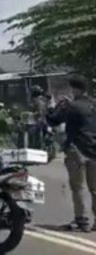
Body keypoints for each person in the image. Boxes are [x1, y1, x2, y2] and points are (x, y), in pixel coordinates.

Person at [47, 75, 96, 232]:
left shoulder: (72, 106)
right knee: (94, 189)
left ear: (75, 89)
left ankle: (81, 220)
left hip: (77, 150)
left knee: (78, 187)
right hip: (94, 150)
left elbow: (53, 120)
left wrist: (55, 105)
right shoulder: (93, 105)